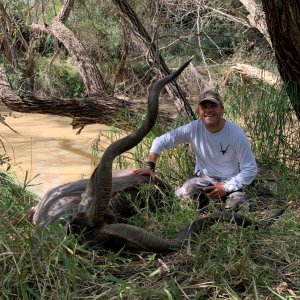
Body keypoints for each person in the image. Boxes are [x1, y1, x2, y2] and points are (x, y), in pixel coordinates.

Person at [134, 89, 257, 210]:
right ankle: (199, 203)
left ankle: (221, 206)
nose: (208, 110)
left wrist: (225, 188)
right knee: (184, 192)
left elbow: (250, 169)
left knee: (238, 205)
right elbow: (160, 141)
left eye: (213, 106)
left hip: (228, 183)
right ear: (199, 110)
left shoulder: (235, 133)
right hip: (202, 181)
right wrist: (149, 167)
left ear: (222, 108)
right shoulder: (193, 128)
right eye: (204, 107)